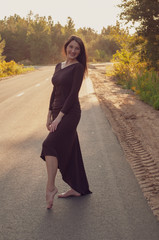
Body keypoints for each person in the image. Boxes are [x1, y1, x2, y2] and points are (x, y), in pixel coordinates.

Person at [40, 35, 92, 209]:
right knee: (72, 148)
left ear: (80, 52)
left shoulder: (78, 68)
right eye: (71, 47)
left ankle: (50, 187)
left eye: (77, 49)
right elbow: (55, 92)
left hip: (70, 113)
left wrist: (59, 118)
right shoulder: (59, 66)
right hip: (56, 112)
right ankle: (77, 188)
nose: (73, 51)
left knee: (49, 145)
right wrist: (49, 115)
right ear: (66, 47)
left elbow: (72, 95)